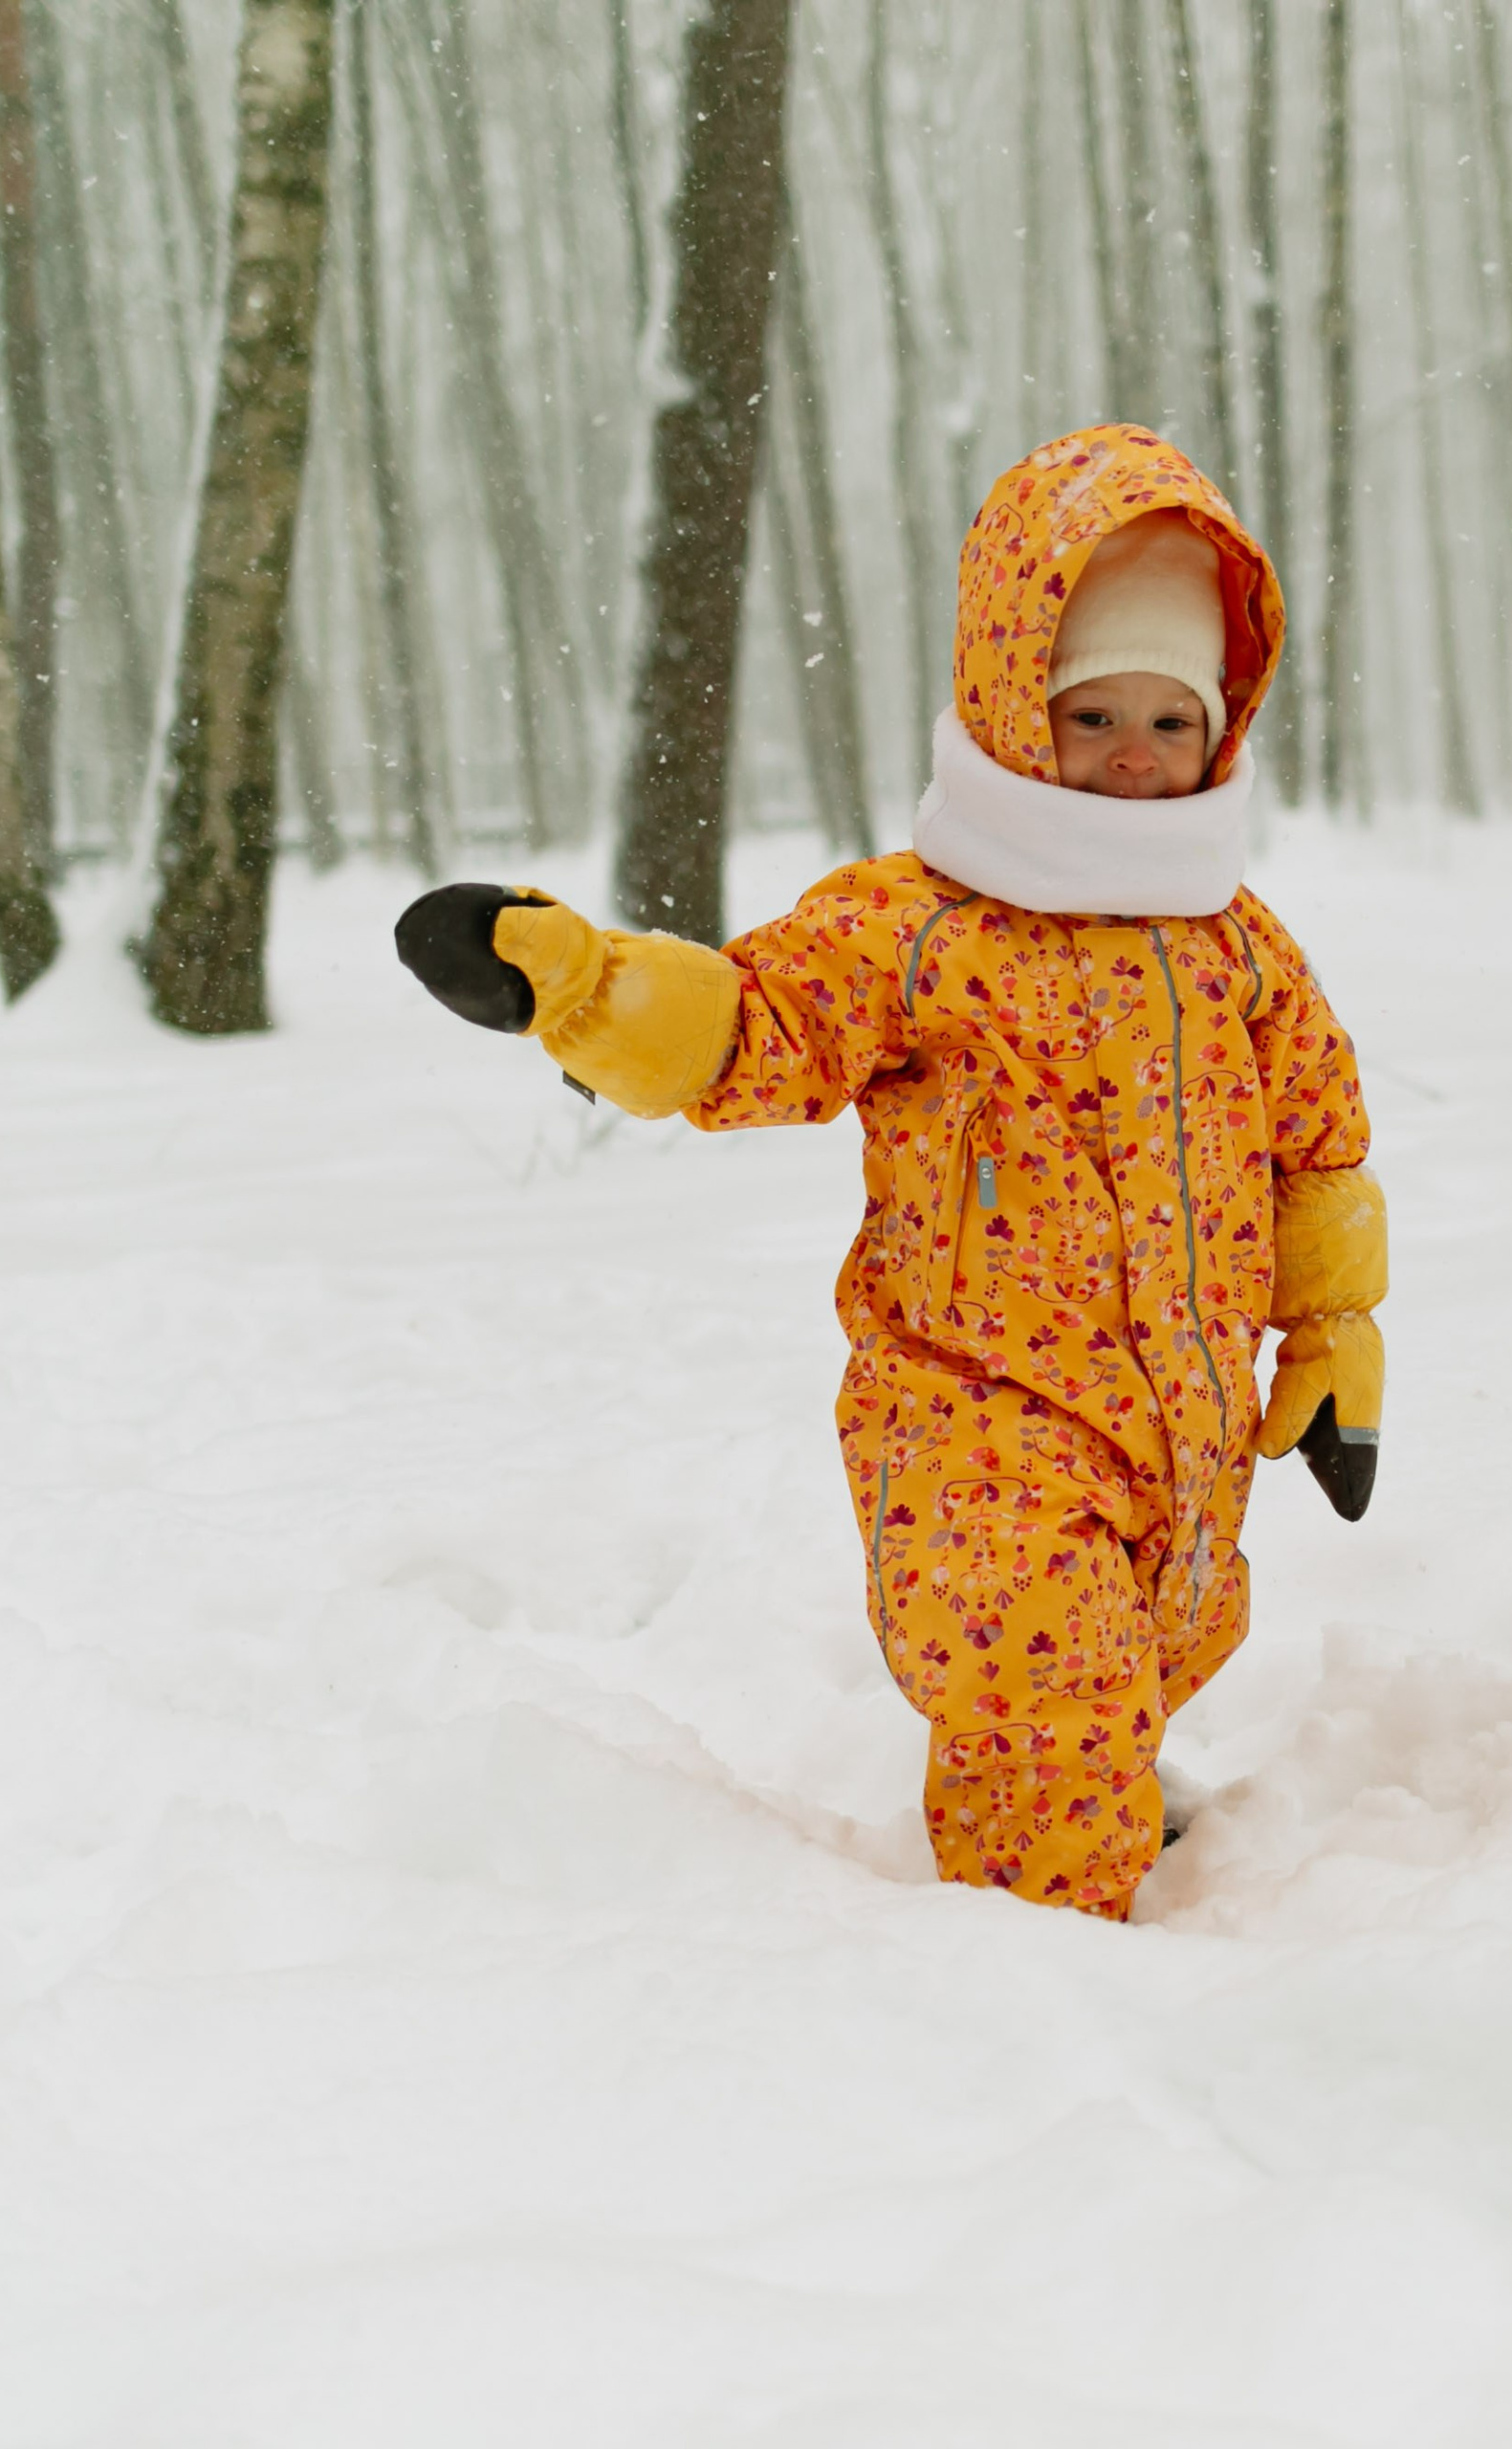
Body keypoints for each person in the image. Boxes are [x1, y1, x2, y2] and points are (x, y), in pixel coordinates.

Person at [395, 424, 1385, 1922]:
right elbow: (758, 1026)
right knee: (1041, 1671)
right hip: (974, 1424)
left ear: (1223, 732)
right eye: (1090, 712)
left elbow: (1316, 1151)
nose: (1132, 754)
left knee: (1147, 1651)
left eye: (1171, 723)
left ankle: (1105, 1809)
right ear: (1008, 711)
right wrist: (587, 988)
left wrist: (1331, 1341)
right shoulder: (924, 928)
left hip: (1180, 1433)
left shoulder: (1240, 950)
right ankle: (1045, 1979)